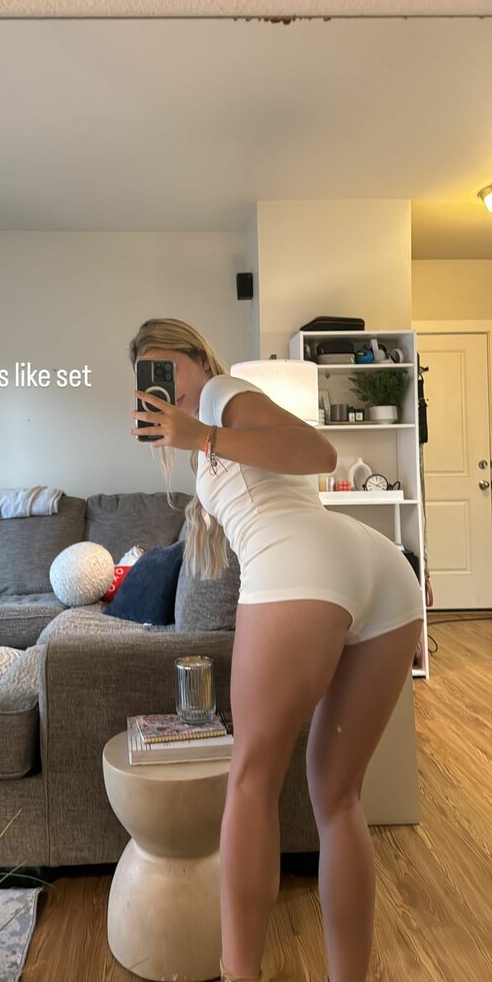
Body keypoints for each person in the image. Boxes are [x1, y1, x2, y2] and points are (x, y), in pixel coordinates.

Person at [128, 318, 423, 982]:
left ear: (199, 360)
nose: (164, 385)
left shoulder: (221, 395)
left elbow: (317, 451)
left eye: (168, 367)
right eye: (148, 378)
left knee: (251, 781)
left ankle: (241, 973)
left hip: (303, 567)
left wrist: (199, 434)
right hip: (378, 572)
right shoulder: (213, 424)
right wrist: (197, 448)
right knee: (339, 798)